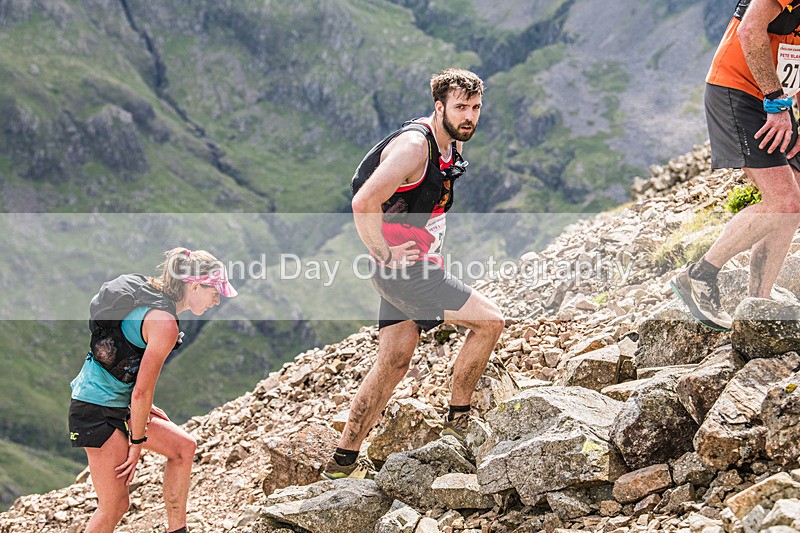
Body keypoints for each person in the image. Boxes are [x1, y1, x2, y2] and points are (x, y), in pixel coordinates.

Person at [322, 68, 505, 479]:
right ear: (438, 106)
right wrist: (383, 252)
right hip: (406, 271)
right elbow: (364, 201)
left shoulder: (448, 144)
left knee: (394, 359)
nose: (469, 116)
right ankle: (459, 423)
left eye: (475, 108)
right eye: (460, 107)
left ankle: (343, 460)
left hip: (406, 268)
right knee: (490, 322)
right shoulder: (413, 148)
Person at [68, 248, 237, 533]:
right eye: (214, 292)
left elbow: (133, 369)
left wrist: (142, 411)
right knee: (115, 505)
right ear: (195, 286)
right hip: (95, 409)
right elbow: (140, 393)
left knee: (184, 447)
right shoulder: (165, 323)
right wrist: (137, 443)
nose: (217, 300)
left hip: (117, 404)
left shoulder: (152, 298)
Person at [671, 0, 800, 331]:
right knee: (783, 200)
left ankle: (759, 299)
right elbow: (749, 30)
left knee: (793, 199)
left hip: (776, 98)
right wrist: (776, 104)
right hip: (739, 91)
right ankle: (699, 276)